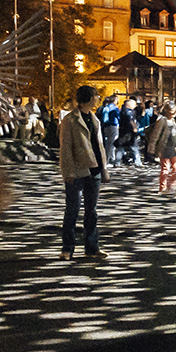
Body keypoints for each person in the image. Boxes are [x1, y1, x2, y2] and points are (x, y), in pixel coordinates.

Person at [58, 86, 109, 261]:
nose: (98, 98)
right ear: (90, 98)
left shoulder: (95, 119)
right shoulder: (70, 120)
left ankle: (92, 247)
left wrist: (104, 169)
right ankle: (67, 248)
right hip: (78, 169)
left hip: (94, 169)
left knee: (91, 211)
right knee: (72, 210)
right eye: (96, 96)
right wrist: (68, 172)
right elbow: (65, 149)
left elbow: (99, 146)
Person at [146, 102, 176, 193]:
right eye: (172, 112)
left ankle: (171, 184)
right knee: (165, 168)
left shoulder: (172, 121)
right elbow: (155, 135)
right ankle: (163, 187)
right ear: (166, 111)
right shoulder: (162, 120)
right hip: (164, 147)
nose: (174, 114)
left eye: (174, 112)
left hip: (172, 147)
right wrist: (152, 149)